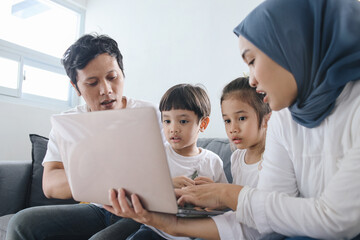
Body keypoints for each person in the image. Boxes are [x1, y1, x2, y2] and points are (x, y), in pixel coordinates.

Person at [104, 0, 360, 239]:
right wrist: (169, 224)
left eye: (252, 60)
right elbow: (265, 220)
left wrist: (228, 194)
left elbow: (339, 219)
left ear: (294, 46)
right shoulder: (284, 119)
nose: (252, 80)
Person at [6, 33, 164, 240]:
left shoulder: (152, 114)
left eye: (112, 77)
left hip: (141, 212)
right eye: (92, 83)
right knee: (21, 223)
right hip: (98, 209)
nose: (106, 90)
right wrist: (96, 175)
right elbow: (50, 184)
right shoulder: (68, 124)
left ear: (122, 74)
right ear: (76, 87)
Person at [122, 83, 228, 240]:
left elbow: (225, 204)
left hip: (195, 232)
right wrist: (168, 184)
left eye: (183, 121)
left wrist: (211, 195)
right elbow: (137, 190)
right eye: (167, 121)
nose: (173, 128)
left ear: (203, 124)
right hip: (157, 230)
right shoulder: (157, 153)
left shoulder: (213, 162)